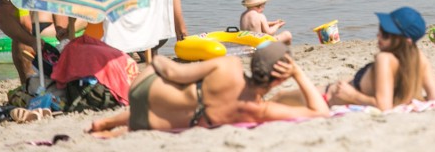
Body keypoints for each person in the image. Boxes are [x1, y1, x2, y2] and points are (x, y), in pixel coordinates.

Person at [88, 40, 328, 136]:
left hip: (142, 88)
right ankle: (108, 129)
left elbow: (173, 72)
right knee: (185, 112)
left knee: (180, 86)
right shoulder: (258, 110)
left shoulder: (229, 66)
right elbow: (320, 112)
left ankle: (106, 123)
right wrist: (297, 73)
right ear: (279, 79)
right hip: (149, 122)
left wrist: (157, 61)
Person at [283, 7, 435, 111]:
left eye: (385, 33)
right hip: (325, 96)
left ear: (404, 41)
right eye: (380, 29)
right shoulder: (419, 58)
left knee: (278, 98)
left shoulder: (384, 59)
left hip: (325, 98)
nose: (378, 35)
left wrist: (351, 95)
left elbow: (383, 106)